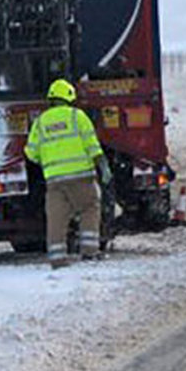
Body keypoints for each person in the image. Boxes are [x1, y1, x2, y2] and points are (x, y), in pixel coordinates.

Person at [25, 78, 113, 269]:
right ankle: (89, 252)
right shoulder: (77, 116)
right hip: (81, 177)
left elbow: (31, 154)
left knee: (56, 219)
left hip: (54, 181)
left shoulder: (40, 122)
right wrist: (103, 167)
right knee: (90, 208)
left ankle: (57, 259)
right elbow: (93, 146)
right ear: (69, 98)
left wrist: (49, 160)